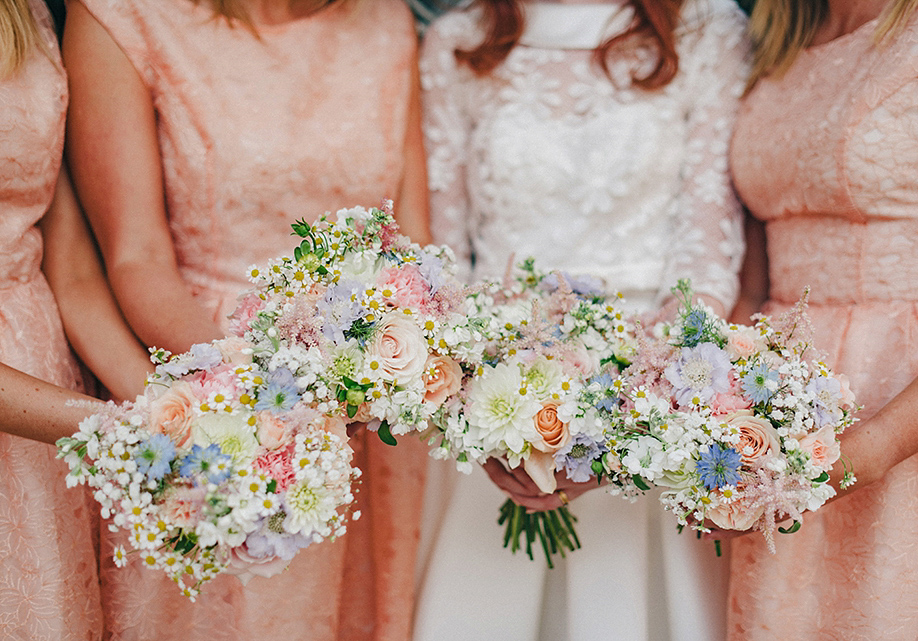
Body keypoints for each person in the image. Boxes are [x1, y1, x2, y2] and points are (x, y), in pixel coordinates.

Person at [63, 0, 431, 637]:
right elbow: (135, 257)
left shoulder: (388, 21)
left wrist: (386, 368)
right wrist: (262, 401)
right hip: (209, 394)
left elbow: (415, 245)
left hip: (368, 409)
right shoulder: (122, 17)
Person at [416, 1, 749, 639]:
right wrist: (487, 407)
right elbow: (447, 258)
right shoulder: (461, 38)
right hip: (498, 401)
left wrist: (631, 419)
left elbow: (707, 244)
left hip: (655, 400)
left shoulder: (707, 28)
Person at [725, 0, 918, 637]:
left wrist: (878, 445)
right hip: (783, 416)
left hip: (916, 405)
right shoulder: (775, 42)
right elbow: (753, 281)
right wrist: (715, 414)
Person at [0, 0, 153, 636]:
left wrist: (181, 412)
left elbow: (76, 274)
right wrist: (110, 431)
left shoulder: (33, 11)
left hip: (47, 373)